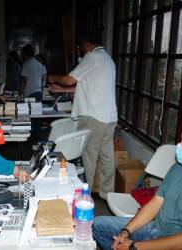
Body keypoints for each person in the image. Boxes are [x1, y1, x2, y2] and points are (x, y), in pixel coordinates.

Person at [93, 116, 182, 250]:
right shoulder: (178, 168)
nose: (179, 146)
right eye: (180, 140)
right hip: (156, 230)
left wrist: (134, 246)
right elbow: (155, 204)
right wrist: (126, 232)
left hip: (176, 244)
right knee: (98, 225)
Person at [48, 33, 118, 199]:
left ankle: (84, 195)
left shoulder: (91, 57)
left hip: (94, 116)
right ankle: (108, 194)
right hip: (109, 117)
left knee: (89, 155)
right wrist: (61, 90)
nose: (80, 51)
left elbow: (69, 79)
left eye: (80, 47)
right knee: (106, 156)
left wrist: (54, 78)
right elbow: (88, 86)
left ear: (86, 45)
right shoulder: (107, 59)